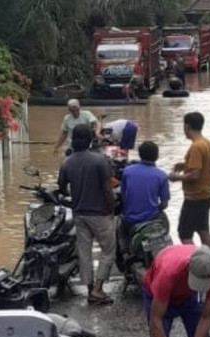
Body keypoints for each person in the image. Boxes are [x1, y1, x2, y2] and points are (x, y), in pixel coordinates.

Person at [58, 124, 115, 305]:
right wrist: (111, 208)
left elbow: (61, 187)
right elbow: (107, 189)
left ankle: (90, 290)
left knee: (85, 253)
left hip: (79, 213)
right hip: (99, 213)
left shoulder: (67, 162)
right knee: (108, 250)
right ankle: (99, 289)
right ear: (91, 139)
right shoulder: (100, 160)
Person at [168, 112, 210, 249]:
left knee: (184, 233)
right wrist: (185, 165)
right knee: (203, 230)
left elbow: (195, 175)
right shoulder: (209, 144)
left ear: (187, 126)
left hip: (195, 197)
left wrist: (176, 177)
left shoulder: (196, 147)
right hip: (206, 194)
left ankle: (194, 259)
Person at [121, 141, 170, 230]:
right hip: (151, 220)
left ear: (140, 155)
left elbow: (124, 195)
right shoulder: (161, 175)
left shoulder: (127, 171)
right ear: (157, 156)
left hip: (129, 220)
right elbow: (164, 204)